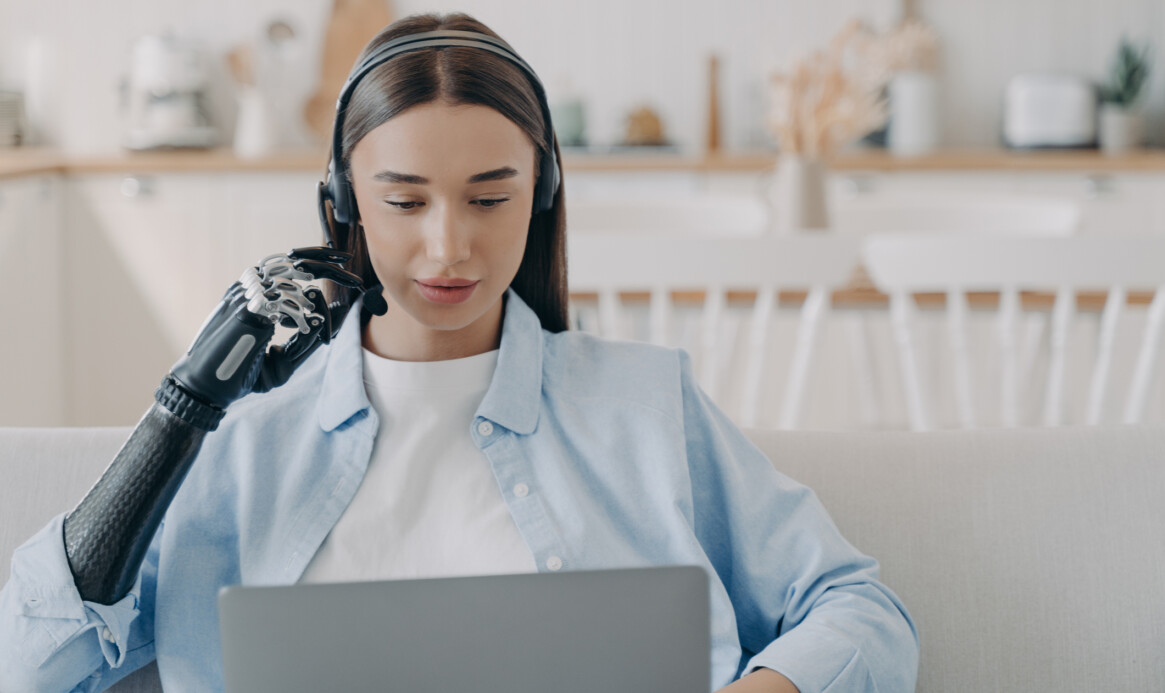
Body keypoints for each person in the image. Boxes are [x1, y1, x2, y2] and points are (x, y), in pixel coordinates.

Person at [0, 12, 918, 693]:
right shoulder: (243, 440)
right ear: (344, 202)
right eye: (404, 202)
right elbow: (28, 663)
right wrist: (177, 414)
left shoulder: (642, 404)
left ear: (542, 192)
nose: (449, 248)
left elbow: (860, 609)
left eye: (489, 198)